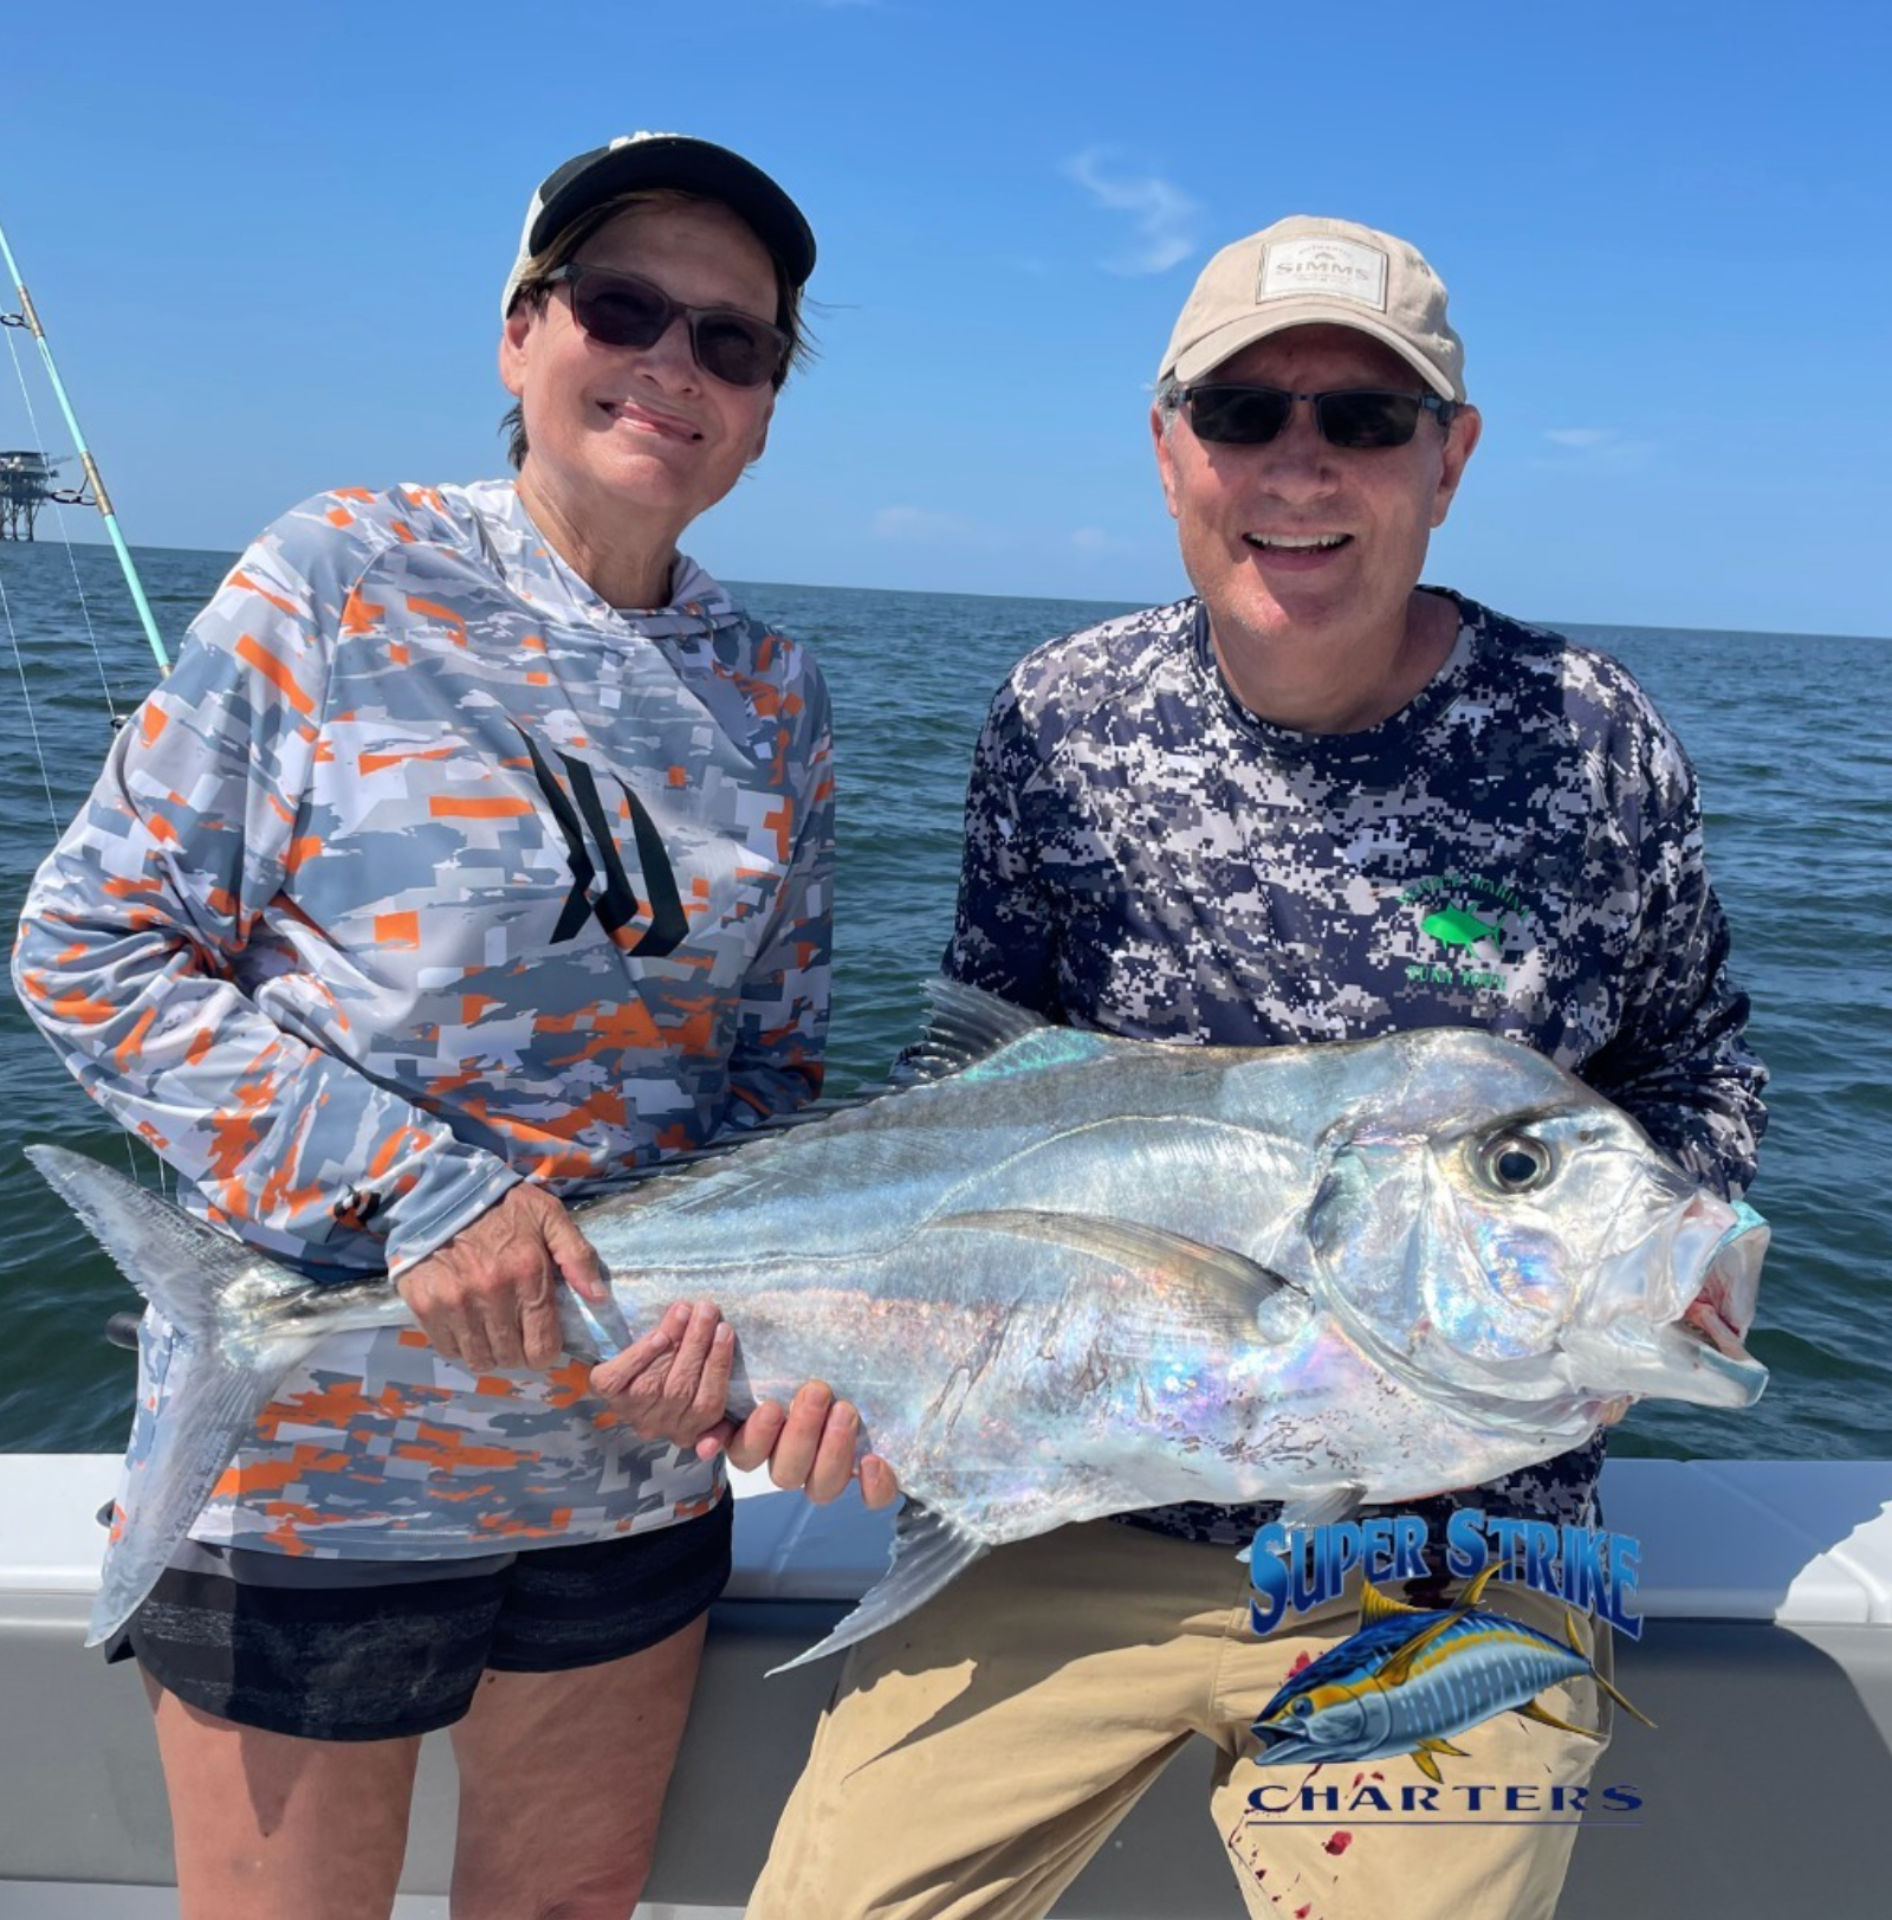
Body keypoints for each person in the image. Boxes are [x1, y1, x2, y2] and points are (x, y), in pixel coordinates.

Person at [745, 215, 1767, 1919]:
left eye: (1367, 420)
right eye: (1243, 412)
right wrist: (877, 1374)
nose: (1301, 464)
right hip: (1072, 1514)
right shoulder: (1061, 718)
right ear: (1168, 452)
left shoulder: (1591, 738)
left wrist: (1678, 1253)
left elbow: (1697, 1073)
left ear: (1451, 461)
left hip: (1460, 1549)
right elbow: (978, 1100)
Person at [13, 131, 893, 1920]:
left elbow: (775, 1085)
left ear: (770, 403)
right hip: (314, 1470)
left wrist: (784, 1349)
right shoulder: (339, 573)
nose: (675, 365)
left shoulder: (777, 694)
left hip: (628, 1475)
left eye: (736, 343)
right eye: (624, 307)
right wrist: (424, 1195)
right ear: (520, 332)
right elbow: (91, 943)